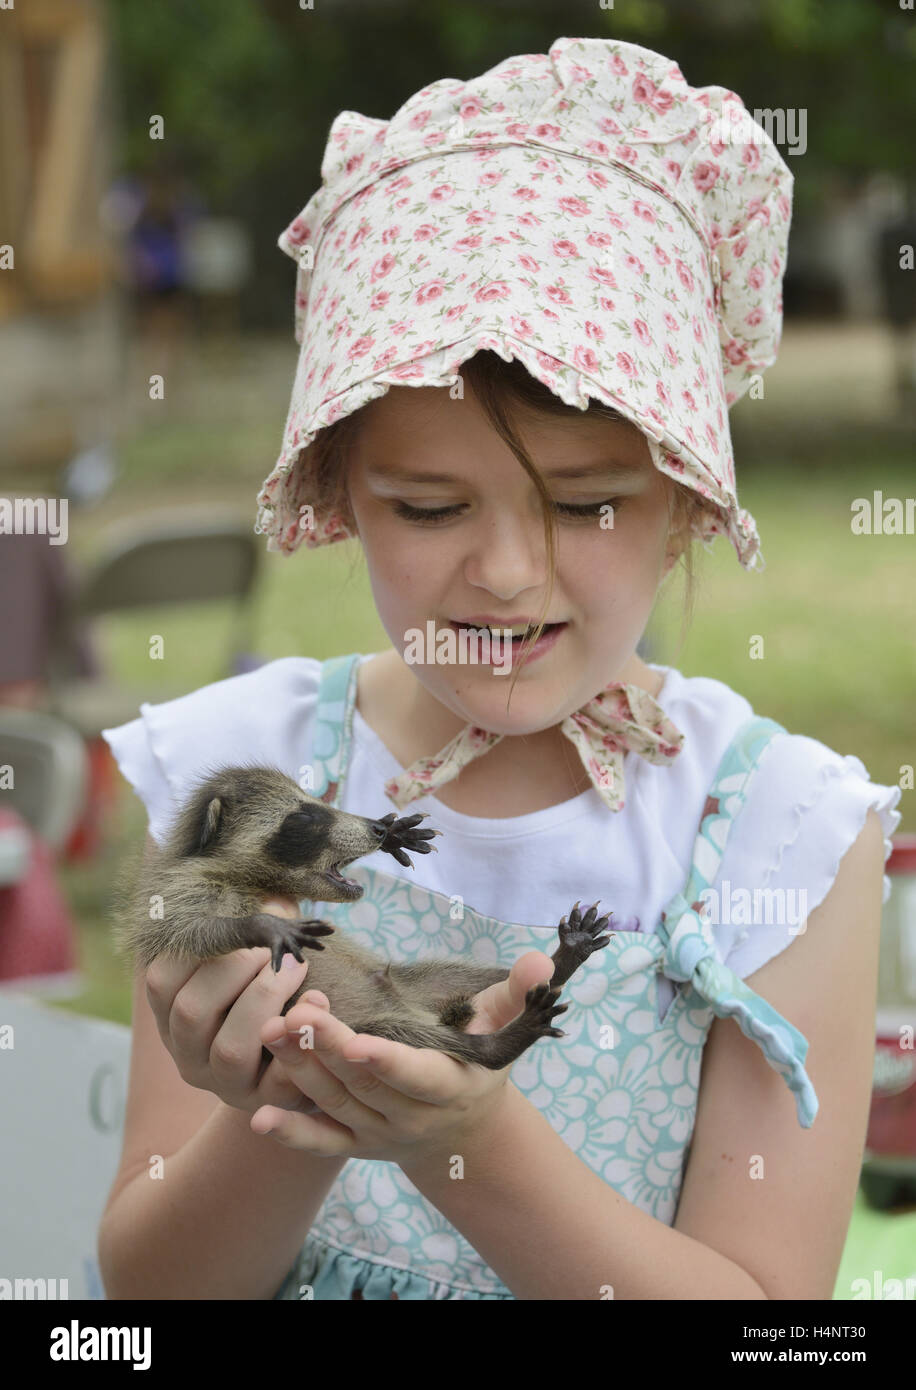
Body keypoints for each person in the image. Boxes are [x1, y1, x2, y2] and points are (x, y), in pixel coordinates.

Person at [96, 37, 901, 1301]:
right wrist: (287, 1108)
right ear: (340, 493)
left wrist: (473, 1140)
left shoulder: (779, 839)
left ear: (687, 503)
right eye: (427, 507)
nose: (508, 575)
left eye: (585, 505)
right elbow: (150, 1296)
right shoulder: (239, 777)